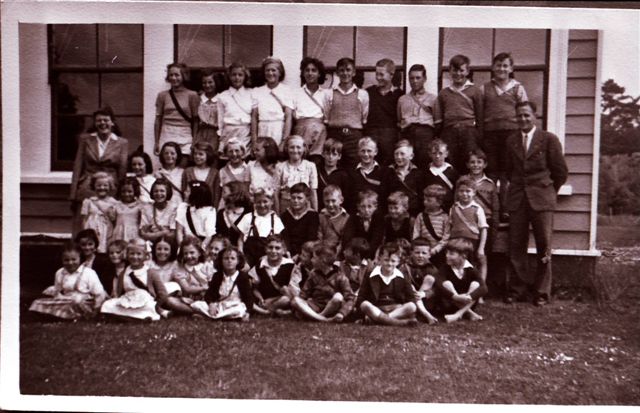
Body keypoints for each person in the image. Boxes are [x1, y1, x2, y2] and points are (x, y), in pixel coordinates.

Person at [504, 101, 568, 306]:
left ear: (535, 116)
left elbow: (560, 172)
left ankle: (541, 292)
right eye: (519, 116)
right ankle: (517, 289)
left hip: (542, 199)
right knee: (516, 245)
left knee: (544, 246)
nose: (523, 119)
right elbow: (509, 171)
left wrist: (547, 191)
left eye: (526, 115)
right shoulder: (511, 140)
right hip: (518, 200)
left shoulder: (548, 139)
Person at [481, 52, 528, 219]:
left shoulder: (518, 88)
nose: (502, 69)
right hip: (490, 134)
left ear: (511, 69)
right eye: (498, 65)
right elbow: (479, 112)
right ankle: (491, 209)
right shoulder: (485, 88)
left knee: (508, 172)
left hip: (511, 134)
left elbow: (524, 111)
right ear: (493, 68)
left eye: (505, 66)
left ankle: (506, 209)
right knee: (492, 171)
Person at [70, 106, 129, 236]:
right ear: (95, 123)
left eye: (106, 120)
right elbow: (78, 166)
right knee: (83, 223)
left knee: (109, 225)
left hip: (111, 187)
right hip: (87, 186)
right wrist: (73, 193)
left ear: (112, 122)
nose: (102, 123)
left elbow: (122, 170)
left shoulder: (122, 143)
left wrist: (121, 192)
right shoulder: (85, 140)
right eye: (99, 120)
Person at [29, 243, 107, 320]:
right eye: (66, 260)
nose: (70, 263)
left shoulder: (88, 273)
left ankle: (62, 315)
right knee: (37, 302)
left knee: (76, 301)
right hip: (66, 301)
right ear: (62, 260)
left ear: (80, 258)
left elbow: (99, 293)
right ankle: (60, 315)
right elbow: (57, 291)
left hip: (84, 303)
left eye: (74, 259)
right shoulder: (60, 273)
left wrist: (96, 309)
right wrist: (57, 296)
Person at [434, 54, 483, 174]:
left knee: (469, 161)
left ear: (467, 71)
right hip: (449, 132)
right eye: (455, 70)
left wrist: (478, 135)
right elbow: (439, 119)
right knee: (450, 163)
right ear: (450, 71)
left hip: (469, 132)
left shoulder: (475, 91)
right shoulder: (444, 93)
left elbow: (480, 116)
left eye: (461, 70)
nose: (458, 74)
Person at [355, 242, 417, 326]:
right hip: (376, 308)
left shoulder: (402, 276)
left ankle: (381, 319)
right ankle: (399, 323)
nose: (389, 264)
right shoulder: (370, 275)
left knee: (412, 306)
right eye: (386, 260)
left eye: (393, 261)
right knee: (365, 304)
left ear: (398, 261)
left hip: (395, 309)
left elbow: (411, 299)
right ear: (380, 259)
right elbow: (361, 298)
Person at [291, 243, 355, 323]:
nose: (312, 260)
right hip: (316, 306)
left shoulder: (340, 276)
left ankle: (318, 316)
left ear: (323, 260)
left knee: (338, 297)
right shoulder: (313, 274)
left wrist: (342, 313)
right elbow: (303, 294)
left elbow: (350, 299)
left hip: (333, 308)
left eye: (314, 257)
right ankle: (323, 319)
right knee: (296, 300)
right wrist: (300, 303)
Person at [100, 238, 161, 321]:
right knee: (107, 305)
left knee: (149, 306)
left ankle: (132, 316)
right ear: (127, 255)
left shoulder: (150, 272)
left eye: (139, 254)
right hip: (128, 300)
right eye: (132, 254)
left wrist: (157, 304)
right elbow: (118, 293)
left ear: (145, 256)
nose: (135, 257)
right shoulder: (124, 273)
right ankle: (135, 316)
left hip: (145, 300)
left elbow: (161, 292)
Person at [326, 57, 369, 168]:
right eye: (341, 70)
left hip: (354, 136)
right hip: (335, 134)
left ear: (353, 72)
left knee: (354, 167)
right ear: (337, 73)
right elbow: (326, 115)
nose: (345, 73)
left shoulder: (362, 94)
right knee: (334, 166)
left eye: (348, 70)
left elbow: (364, 117)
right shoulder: (329, 93)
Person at [433, 238, 487, 323]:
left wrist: (469, 297)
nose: (447, 256)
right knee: (447, 284)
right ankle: (469, 313)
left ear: (463, 256)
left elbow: (484, 288)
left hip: (467, 302)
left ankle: (458, 314)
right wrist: (455, 296)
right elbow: (438, 284)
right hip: (449, 304)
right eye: (446, 253)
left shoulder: (471, 269)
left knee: (476, 284)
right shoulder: (445, 268)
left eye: (451, 254)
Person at [192, 246, 253, 320]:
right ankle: (221, 316)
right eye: (226, 258)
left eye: (233, 258)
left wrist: (248, 312)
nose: (229, 261)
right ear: (221, 261)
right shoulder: (217, 276)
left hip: (235, 305)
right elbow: (209, 294)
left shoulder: (242, 277)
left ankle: (211, 317)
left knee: (239, 310)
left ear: (238, 261)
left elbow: (248, 298)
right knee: (196, 304)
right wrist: (211, 304)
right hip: (220, 305)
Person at [154, 62, 199, 161]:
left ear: (183, 76)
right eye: (171, 75)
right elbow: (158, 119)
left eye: (177, 75)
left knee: (183, 164)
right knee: (168, 164)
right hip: (167, 133)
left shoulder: (192, 95)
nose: (174, 78)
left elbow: (196, 121)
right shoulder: (162, 95)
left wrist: (194, 141)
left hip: (185, 134)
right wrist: (156, 142)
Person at [449, 176, 489, 285]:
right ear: (457, 192)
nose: (464, 194)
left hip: (471, 243)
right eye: (461, 191)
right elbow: (450, 226)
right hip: (456, 242)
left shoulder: (477, 209)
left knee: (471, 267)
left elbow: (483, 229)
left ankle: (476, 288)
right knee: (455, 266)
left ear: (474, 192)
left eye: (468, 191)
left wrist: (481, 248)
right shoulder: (453, 208)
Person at [397, 64, 437, 169]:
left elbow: (437, 121)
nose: (414, 81)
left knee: (425, 165)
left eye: (418, 78)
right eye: (411, 78)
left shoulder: (433, 99)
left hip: (425, 135)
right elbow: (399, 120)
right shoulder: (402, 99)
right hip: (408, 134)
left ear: (424, 79)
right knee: (407, 165)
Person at [365, 58, 403, 166]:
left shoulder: (399, 95)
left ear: (391, 75)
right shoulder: (368, 93)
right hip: (371, 136)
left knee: (388, 167)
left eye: (381, 74)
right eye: (377, 74)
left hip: (390, 138)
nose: (378, 78)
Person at [251, 57, 294, 150]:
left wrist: (284, 141)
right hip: (263, 129)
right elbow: (254, 117)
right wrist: (254, 141)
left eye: (273, 70)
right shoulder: (257, 91)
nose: (270, 73)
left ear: (280, 73)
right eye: (267, 70)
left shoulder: (287, 91)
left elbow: (288, 117)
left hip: (278, 128)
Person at [293, 57, 330, 163]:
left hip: (320, 131)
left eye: (314, 70)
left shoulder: (326, 94)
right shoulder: (296, 93)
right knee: (299, 159)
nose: (310, 73)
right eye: (307, 70)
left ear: (319, 74)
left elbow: (328, 115)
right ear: (303, 73)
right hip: (301, 129)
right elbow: (292, 114)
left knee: (316, 160)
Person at [236, 187, 285, 268]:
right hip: (248, 257)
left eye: (265, 201)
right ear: (254, 203)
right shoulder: (248, 217)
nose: (262, 205)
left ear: (272, 202)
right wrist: (242, 257)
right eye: (258, 202)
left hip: (268, 258)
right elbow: (240, 240)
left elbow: (278, 242)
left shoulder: (275, 220)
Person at [249, 234, 296, 316]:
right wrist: (261, 298)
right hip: (265, 298)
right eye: (270, 247)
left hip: (282, 298)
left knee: (285, 300)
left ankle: (268, 310)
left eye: (277, 248)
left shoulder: (290, 265)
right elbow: (254, 288)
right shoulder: (260, 265)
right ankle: (277, 311)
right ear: (265, 249)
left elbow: (293, 292)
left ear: (284, 250)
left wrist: (272, 300)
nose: (273, 251)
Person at [217, 62, 255, 158]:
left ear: (245, 77)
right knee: (229, 157)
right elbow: (220, 120)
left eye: (240, 75)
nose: (237, 78)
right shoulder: (222, 96)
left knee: (243, 157)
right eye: (234, 75)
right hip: (228, 131)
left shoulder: (252, 93)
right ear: (229, 77)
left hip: (245, 131)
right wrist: (221, 136)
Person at [275, 135, 319, 212]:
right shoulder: (280, 167)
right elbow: (276, 193)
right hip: (285, 206)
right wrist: (277, 214)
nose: (295, 151)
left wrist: (315, 213)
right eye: (292, 147)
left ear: (304, 148)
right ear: (286, 148)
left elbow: (313, 192)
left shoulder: (310, 166)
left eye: (298, 147)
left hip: (305, 207)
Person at [382, 139, 425, 217]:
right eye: (396, 154)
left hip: (413, 215)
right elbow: (384, 195)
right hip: (393, 214)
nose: (399, 157)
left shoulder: (418, 174)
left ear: (411, 156)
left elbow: (421, 197)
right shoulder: (388, 172)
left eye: (402, 154)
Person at [412, 184, 451, 268]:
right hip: (423, 252)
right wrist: (418, 247)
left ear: (439, 202)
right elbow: (416, 233)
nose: (425, 202)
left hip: (439, 252)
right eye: (424, 199)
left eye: (429, 200)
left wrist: (436, 249)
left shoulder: (445, 217)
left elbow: (446, 236)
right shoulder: (421, 216)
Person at [403, 238, 439, 324]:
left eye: (424, 253)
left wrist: (424, 294)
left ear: (429, 255)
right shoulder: (405, 267)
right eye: (417, 252)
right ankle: (426, 314)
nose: (420, 256)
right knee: (410, 286)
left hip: (426, 302)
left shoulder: (432, 269)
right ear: (411, 253)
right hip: (408, 299)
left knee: (429, 279)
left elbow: (437, 288)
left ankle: (421, 311)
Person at [80, 172, 118, 253]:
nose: (102, 188)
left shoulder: (114, 203)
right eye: (99, 185)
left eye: (105, 185)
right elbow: (84, 219)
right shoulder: (88, 202)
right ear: (93, 186)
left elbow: (115, 221)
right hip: (91, 230)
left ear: (110, 186)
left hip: (106, 231)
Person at [345, 137, 385, 213]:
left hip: (379, 215)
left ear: (376, 152)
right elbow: (348, 199)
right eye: (363, 151)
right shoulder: (350, 172)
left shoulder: (385, 172)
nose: (366, 154)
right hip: (356, 214)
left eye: (369, 151)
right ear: (358, 152)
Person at [342, 189, 384, 260]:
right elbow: (347, 238)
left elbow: (376, 241)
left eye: (369, 206)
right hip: (355, 253)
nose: (366, 210)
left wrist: (367, 258)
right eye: (363, 206)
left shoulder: (378, 220)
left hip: (372, 254)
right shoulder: (353, 218)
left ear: (375, 207)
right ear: (358, 207)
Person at [281, 183, 320, 257]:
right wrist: (288, 252)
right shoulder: (285, 216)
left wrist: (299, 255)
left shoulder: (312, 216)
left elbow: (311, 239)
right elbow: (285, 237)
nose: (296, 201)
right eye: (293, 198)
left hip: (306, 253)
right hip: (288, 253)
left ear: (307, 199)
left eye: (299, 198)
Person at [175, 181, 217, 246]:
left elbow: (209, 235)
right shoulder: (182, 207)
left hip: (202, 244)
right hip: (186, 243)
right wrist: (181, 247)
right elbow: (179, 231)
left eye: (187, 191)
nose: (184, 193)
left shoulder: (210, 210)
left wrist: (201, 248)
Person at [147, 238, 181, 318]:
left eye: (166, 249)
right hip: (153, 293)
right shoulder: (149, 264)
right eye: (159, 249)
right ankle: (159, 309)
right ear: (154, 250)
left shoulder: (175, 264)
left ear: (171, 251)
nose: (162, 252)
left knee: (173, 286)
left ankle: (157, 307)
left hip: (168, 294)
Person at [424, 139, 458, 212]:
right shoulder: (426, 173)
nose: (437, 156)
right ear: (429, 154)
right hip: (432, 209)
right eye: (434, 153)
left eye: (440, 153)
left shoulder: (452, 172)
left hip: (449, 208)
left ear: (446, 154)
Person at [216, 138, 251, 209]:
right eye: (230, 151)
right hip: (226, 207)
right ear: (226, 153)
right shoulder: (222, 171)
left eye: (237, 151)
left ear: (243, 152)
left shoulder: (249, 169)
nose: (234, 154)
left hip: (243, 206)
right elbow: (219, 193)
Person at [139, 178, 178, 244]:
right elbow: (143, 233)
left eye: (162, 191)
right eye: (156, 191)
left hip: (168, 244)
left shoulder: (173, 208)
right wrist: (164, 232)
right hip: (150, 243)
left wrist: (152, 234)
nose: (158, 193)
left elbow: (172, 235)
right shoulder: (146, 208)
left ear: (167, 192)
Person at [181, 141, 219, 206]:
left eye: (201, 154)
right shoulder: (187, 171)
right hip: (191, 207)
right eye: (195, 154)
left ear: (208, 155)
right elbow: (184, 190)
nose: (197, 156)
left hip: (208, 208)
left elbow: (216, 194)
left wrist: (214, 208)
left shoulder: (214, 173)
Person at [314, 138, 348, 211]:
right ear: (323, 154)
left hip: (336, 211)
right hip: (318, 209)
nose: (330, 157)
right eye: (328, 153)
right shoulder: (316, 171)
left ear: (339, 156)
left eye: (334, 154)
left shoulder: (343, 175)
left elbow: (345, 197)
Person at [215, 181, 251, 247]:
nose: (222, 195)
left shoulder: (248, 213)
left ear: (234, 194)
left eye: (224, 192)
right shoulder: (221, 213)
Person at [248, 137, 280, 209]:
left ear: (268, 151)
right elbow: (246, 187)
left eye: (257, 150)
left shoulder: (278, 168)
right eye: (254, 150)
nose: (255, 152)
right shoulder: (251, 166)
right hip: (255, 205)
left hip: (272, 206)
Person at [317, 185, 350, 253]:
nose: (330, 204)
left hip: (338, 253)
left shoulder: (346, 218)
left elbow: (343, 241)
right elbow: (319, 237)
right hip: (322, 251)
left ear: (341, 200)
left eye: (333, 201)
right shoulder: (321, 217)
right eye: (327, 201)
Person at [112, 177, 143, 244]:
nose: (126, 194)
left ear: (135, 191)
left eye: (129, 191)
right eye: (123, 191)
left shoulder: (139, 206)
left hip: (133, 233)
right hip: (119, 233)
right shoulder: (116, 205)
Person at [195, 68, 220, 152]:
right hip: (201, 133)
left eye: (210, 82)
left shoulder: (221, 99)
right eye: (204, 83)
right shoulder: (198, 99)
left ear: (215, 82)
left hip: (216, 134)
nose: (207, 85)